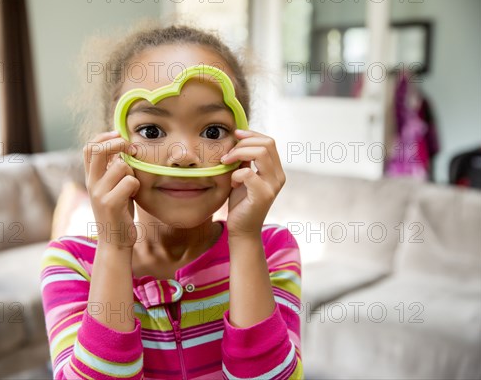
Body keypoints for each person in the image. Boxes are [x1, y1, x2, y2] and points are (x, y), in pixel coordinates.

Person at [40, 24, 303, 379]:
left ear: (243, 143)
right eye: (151, 130)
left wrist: (245, 241)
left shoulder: (272, 250)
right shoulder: (71, 263)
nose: (183, 156)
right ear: (113, 144)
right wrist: (115, 246)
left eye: (213, 132)